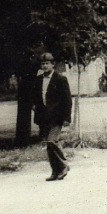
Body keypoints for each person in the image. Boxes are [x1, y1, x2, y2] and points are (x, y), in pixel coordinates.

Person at [33, 53, 72, 182]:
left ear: (52, 64)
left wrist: (67, 117)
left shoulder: (60, 79)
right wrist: (35, 107)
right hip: (44, 117)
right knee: (49, 145)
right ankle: (55, 172)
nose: (44, 66)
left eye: (47, 63)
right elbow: (37, 98)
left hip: (57, 116)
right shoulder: (38, 79)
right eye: (42, 64)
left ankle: (64, 165)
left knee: (52, 141)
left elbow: (67, 100)